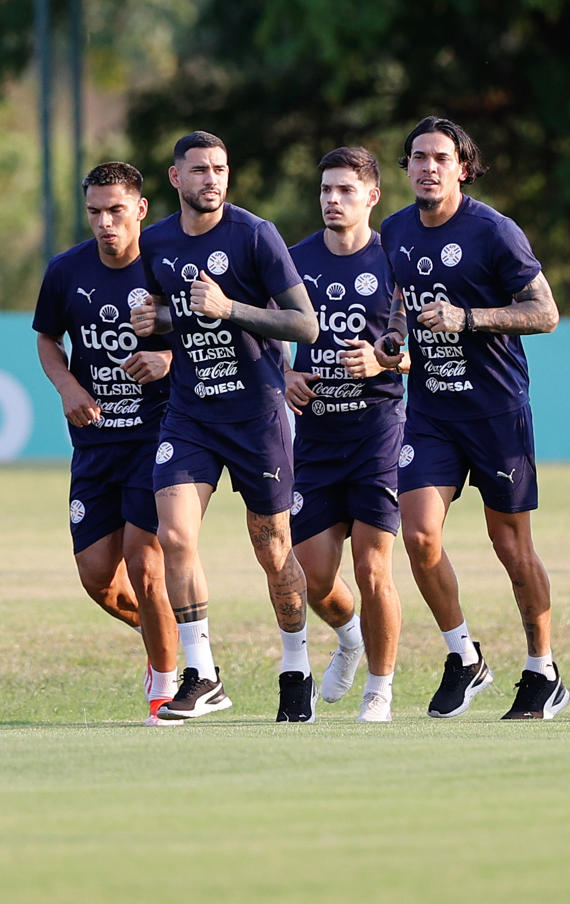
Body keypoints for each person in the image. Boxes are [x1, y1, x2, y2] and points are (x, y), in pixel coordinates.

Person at [129, 131, 321, 722]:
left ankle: (296, 665)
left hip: (256, 414)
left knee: (272, 550)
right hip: (190, 413)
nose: (212, 179)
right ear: (175, 178)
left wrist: (230, 308)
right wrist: (153, 319)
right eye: (200, 170)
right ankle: (202, 674)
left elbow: (304, 325)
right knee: (176, 536)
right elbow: (170, 316)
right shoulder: (155, 241)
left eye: (220, 168)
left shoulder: (255, 234)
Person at [380, 117, 567, 720]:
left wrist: (468, 319)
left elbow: (545, 313)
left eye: (440, 158)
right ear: (406, 168)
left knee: (512, 548)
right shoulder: (395, 231)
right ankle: (464, 656)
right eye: (417, 158)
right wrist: (391, 339)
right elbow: (400, 309)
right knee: (418, 534)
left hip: (496, 412)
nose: (428, 168)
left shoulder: (493, 230)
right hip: (432, 410)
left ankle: (543, 669)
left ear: (463, 166)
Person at [32, 161, 180, 724]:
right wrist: (67, 384)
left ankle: (164, 692)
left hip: (160, 435)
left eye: (116, 210)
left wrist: (167, 357)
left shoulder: (165, 266)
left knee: (146, 565)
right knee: (99, 578)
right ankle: (171, 644)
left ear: (140, 209)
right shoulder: (66, 270)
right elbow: (47, 337)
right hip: (95, 443)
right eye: (94, 212)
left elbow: (208, 337)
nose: (105, 222)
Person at [284, 147, 407, 723]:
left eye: (346, 191)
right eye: (326, 190)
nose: (333, 201)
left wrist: (386, 363)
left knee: (373, 568)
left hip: (377, 432)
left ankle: (379, 689)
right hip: (314, 437)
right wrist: (283, 374)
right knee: (311, 577)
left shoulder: (396, 258)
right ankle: (351, 638)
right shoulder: (294, 259)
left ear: (372, 198)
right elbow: (262, 332)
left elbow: (421, 350)